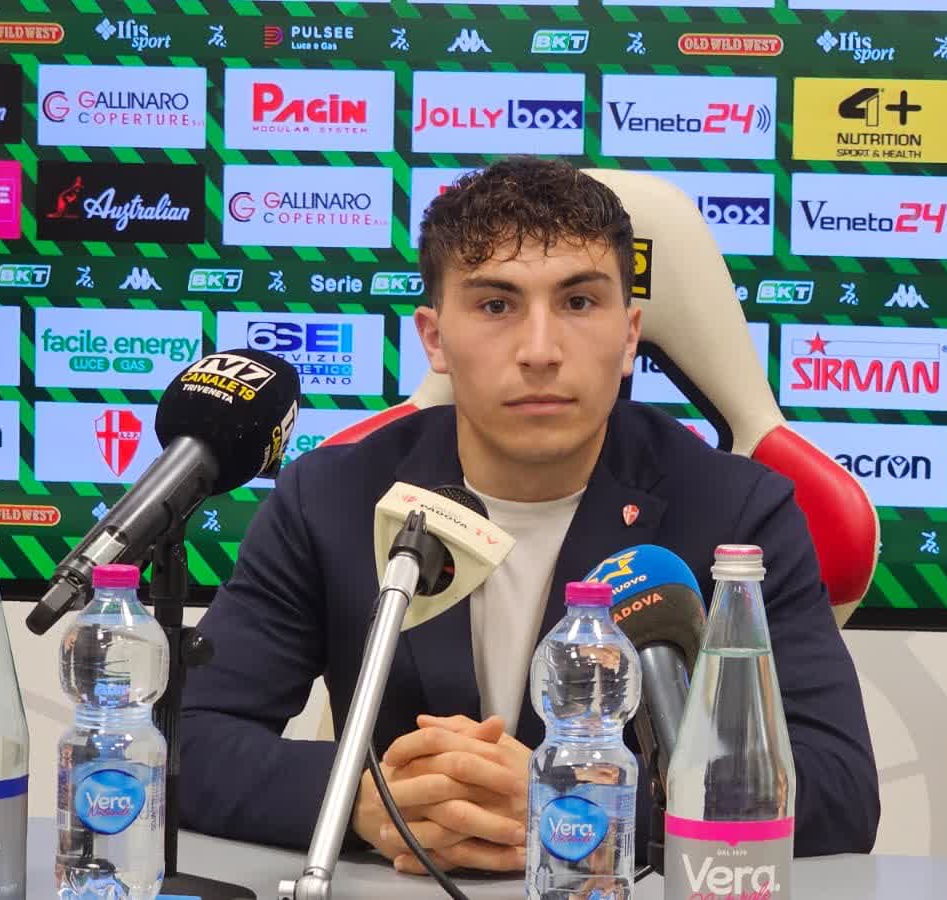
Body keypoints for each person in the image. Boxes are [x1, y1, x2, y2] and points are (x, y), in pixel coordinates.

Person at [179, 157, 879, 875]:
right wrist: (362, 801)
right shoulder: (332, 498)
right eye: (495, 305)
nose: (540, 352)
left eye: (578, 302)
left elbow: (838, 788)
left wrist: (578, 804)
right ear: (435, 339)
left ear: (629, 333)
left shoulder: (738, 513)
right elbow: (180, 739)